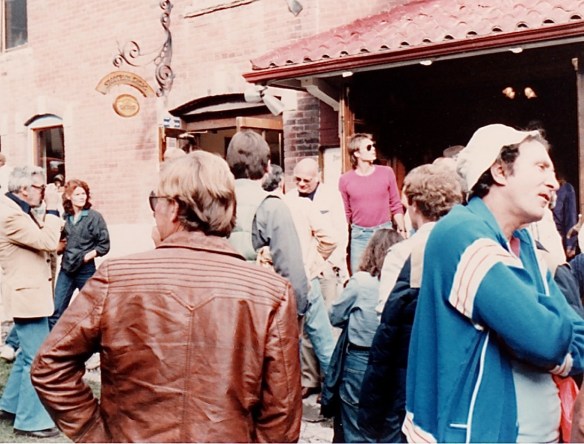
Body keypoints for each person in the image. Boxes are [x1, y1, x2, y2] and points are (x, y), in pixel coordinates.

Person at [31, 151, 302, 442]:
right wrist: (94, 431)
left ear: (172, 207)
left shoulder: (117, 278)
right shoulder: (269, 291)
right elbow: (282, 412)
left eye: (154, 202)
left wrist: (97, 434)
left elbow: (50, 365)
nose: (153, 211)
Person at [403, 124, 584, 443]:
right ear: (499, 171)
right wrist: (557, 348)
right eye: (541, 167)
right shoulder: (461, 233)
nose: (553, 182)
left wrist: (550, 336)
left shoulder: (522, 241)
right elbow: (546, 338)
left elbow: (574, 333)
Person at [358, 164, 463, 442]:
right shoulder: (467, 246)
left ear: (414, 205)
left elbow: (386, 316)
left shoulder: (403, 253)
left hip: (409, 369)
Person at [262, 164, 337, 396]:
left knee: (284, 342)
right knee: (323, 339)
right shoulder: (303, 205)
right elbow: (330, 239)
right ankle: (335, 395)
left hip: (277, 281)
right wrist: (314, 263)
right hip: (306, 278)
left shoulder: (266, 208)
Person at [0, 166, 62, 439]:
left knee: (27, 355)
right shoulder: (10, 215)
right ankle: (30, 421)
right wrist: (54, 209)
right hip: (26, 296)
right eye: (40, 187)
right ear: (23, 189)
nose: (45, 192)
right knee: (37, 359)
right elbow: (48, 241)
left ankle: (10, 406)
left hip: (30, 294)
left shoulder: (15, 210)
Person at [326, 228, 402, 442]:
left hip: (359, 361)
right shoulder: (402, 284)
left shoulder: (360, 282)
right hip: (391, 360)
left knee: (355, 425)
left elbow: (335, 315)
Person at [226, 129, 309, 316]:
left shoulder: (214, 202)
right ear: (267, 167)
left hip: (220, 309)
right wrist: (298, 311)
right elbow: (291, 271)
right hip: (257, 310)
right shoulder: (272, 207)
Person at [288, 157, 349, 398]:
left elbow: (339, 233)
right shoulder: (290, 199)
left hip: (326, 267)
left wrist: (328, 264)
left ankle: (329, 382)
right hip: (306, 270)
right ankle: (310, 378)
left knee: (327, 329)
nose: (302, 184)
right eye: (298, 180)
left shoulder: (331, 196)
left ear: (318, 177)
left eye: (307, 180)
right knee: (308, 332)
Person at [339, 133, 405, 274]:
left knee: (387, 273)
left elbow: (396, 204)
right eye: (368, 147)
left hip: (383, 232)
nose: (373, 149)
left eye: (373, 146)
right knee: (359, 275)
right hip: (359, 234)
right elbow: (345, 212)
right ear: (356, 153)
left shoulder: (386, 172)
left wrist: (402, 229)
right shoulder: (345, 179)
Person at [48, 179, 110, 329]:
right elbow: (61, 241)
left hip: (85, 270)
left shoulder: (94, 217)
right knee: (56, 310)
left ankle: (98, 344)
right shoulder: (65, 218)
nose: (82, 197)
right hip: (66, 269)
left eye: (84, 194)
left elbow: (104, 245)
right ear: (68, 196)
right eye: (77, 194)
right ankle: (50, 345)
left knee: (93, 308)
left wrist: (86, 257)